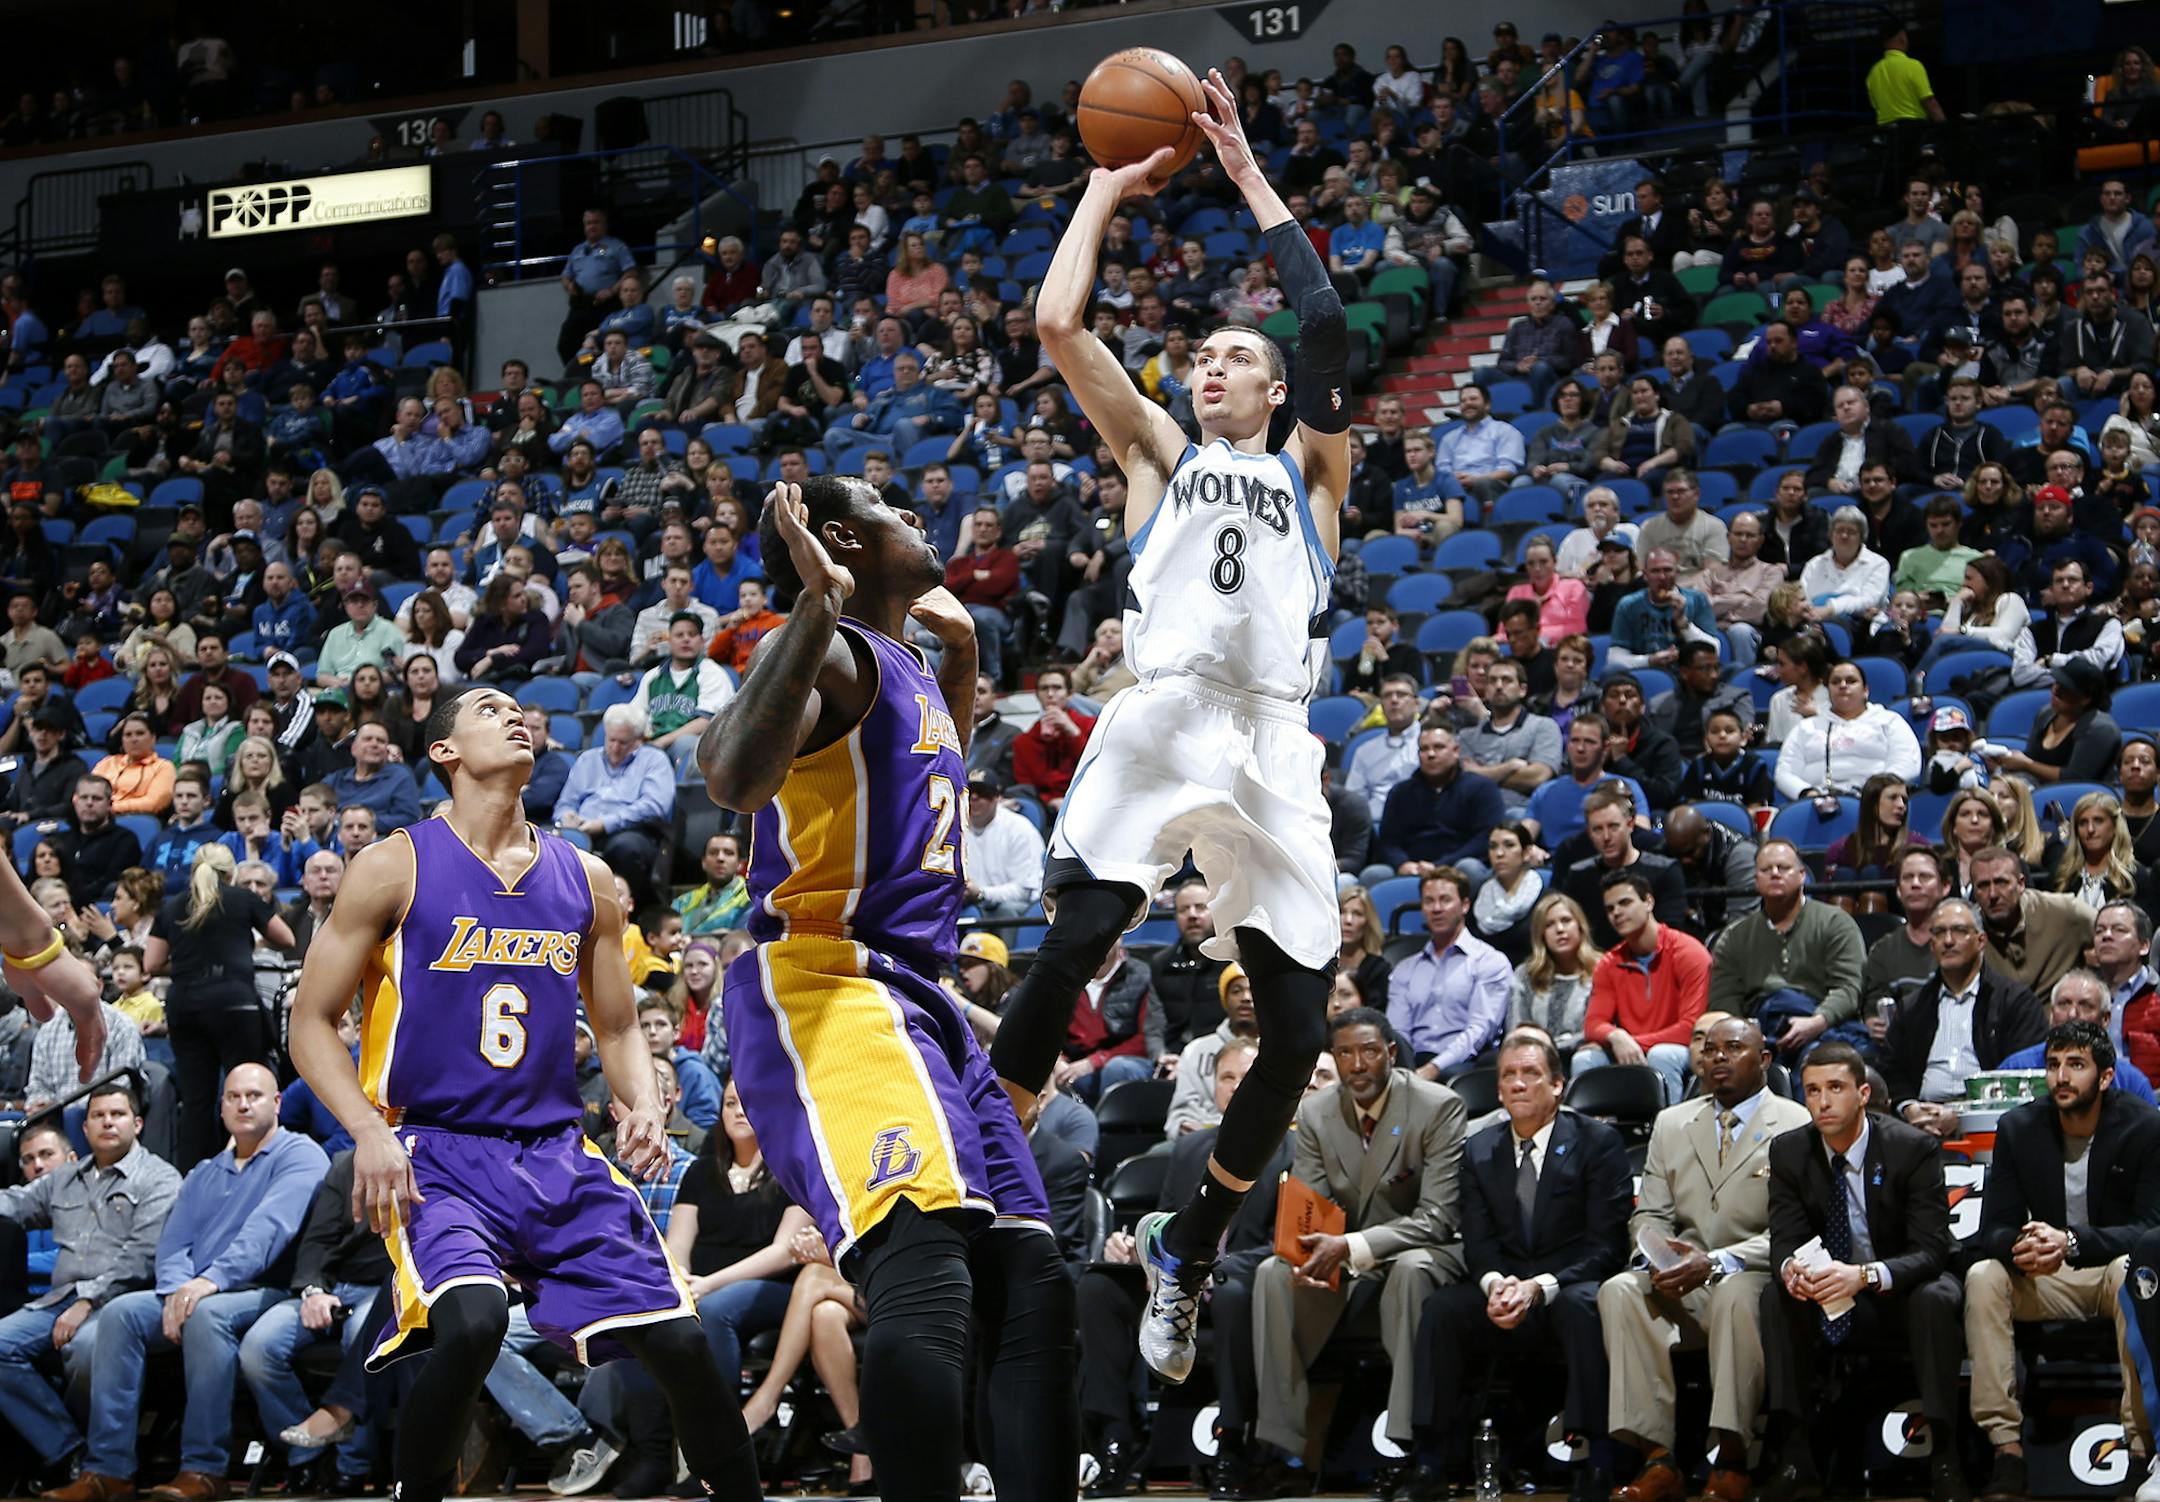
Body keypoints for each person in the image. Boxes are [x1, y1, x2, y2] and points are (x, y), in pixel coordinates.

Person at [974, 69, 1352, 1391]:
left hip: (1272, 740)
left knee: (1295, 1030)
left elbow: (1322, 319)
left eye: (1235, 356)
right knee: (1078, 933)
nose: (1211, 366)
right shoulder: (1154, 454)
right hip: (1166, 713)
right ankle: (987, 1166)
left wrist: (1243, 172)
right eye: (1201, 357)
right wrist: (1103, 186)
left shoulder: (1315, 471)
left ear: (1278, 390)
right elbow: (1057, 319)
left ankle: (1190, 1246)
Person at [285, 685, 762, 1502]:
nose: (514, 716)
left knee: (681, 1342)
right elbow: (310, 1022)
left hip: (556, 1152)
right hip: (436, 1149)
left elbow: (618, 1026)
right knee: (471, 1324)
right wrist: (367, 1130)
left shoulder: (586, 875)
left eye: (518, 709)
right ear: (443, 751)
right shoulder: (393, 865)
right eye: (486, 708)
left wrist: (646, 1106)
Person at [696, 477, 1073, 1502]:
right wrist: (814, 605)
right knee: (924, 1265)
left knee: (1030, 1277)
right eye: (890, 509)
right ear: (840, 539)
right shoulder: (831, 651)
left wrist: (966, 657)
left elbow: (927, 764)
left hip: (918, 992)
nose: (917, 517)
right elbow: (730, 776)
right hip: (828, 979)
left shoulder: (899, 662)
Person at [1249, 1007, 1464, 1491]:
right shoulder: (1316, 1111)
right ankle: (1282, 1450)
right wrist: (1303, 1251)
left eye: (1369, 1051)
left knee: (1411, 1271)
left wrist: (1350, 1245)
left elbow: (1438, 1218)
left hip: (1422, 1248)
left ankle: (1413, 1449)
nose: (1357, 1064)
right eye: (1344, 1053)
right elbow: (1311, 1205)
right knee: (1272, 1274)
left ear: (1391, 1053)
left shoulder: (1437, 1106)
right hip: (1346, 1252)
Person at [1075, 1039, 1290, 1497]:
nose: (1236, 1087)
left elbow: (1284, 1244)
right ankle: (1117, 1440)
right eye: (1227, 1078)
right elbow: (1171, 1225)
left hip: (1241, 1283)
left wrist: (1209, 1266)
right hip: (1181, 1283)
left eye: (1246, 1077)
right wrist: (1135, 1248)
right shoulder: (1190, 1148)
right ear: (1213, 1086)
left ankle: (1234, 1445)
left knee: (1232, 1294)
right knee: (1099, 1287)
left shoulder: (1294, 1148)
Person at [1757, 1043, 1967, 1502]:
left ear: (1863, 1093)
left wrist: (1866, 1275)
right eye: (1812, 1091)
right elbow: (1784, 1239)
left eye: (1835, 1088)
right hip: (1833, 1292)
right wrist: (1792, 1270)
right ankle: (1794, 1455)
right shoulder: (1789, 1150)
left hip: (1901, 1288)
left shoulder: (1911, 1148)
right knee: (1776, 1296)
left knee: (1936, 1298)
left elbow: (1931, 1250)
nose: (1823, 1102)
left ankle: (1946, 1457)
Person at [1961, 1021, 2160, 1502]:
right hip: (2047, 1274)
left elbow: (2150, 1229)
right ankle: (2006, 1448)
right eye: (2053, 1065)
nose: (2061, 1077)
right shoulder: (2019, 1128)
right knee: (1983, 1276)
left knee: (2134, 1271)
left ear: (2106, 1077)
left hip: (2110, 1269)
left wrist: (2070, 1242)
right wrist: (2022, 1246)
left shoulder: (2144, 1126)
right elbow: (1993, 1229)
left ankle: (2140, 1448)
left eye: (2075, 1065)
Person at [0, 1083, 181, 1495]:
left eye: (117, 1114)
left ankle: (103, 1464)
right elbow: (17, 1203)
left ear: (137, 1123)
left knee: (84, 1349)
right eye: (98, 1116)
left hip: (124, 1302)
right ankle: (70, 1451)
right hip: (59, 1298)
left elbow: (142, 1256)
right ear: (85, 1128)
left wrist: (88, 1300)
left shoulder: (159, 1178)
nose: (107, 1123)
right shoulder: (65, 1178)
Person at [237, 1148, 393, 1492]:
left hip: (386, 1290)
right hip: (335, 1285)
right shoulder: (345, 1164)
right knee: (258, 1347)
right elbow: (318, 1238)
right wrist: (313, 1290)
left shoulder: (425, 1159)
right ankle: (304, 1458)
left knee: (363, 1336)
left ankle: (352, 1467)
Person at [142, 844, 293, 1170]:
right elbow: (287, 939)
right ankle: (252, 1165)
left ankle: (195, 1175)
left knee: (196, 1100)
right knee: (247, 1089)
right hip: (235, 1005)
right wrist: (246, 948)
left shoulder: (173, 906)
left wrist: (189, 965)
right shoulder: (243, 898)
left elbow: (151, 963)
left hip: (186, 1006)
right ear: (231, 873)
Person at [1880, 897, 2048, 1133]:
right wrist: (1909, 1108)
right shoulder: (1912, 1007)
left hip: (1992, 1122)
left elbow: (2023, 1073)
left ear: (1981, 941)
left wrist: (1963, 1115)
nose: (1948, 941)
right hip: (1921, 1123)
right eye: (1939, 932)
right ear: (1931, 945)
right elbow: (1891, 1070)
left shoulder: (2015, 1002)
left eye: (1959, 931)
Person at [1706, 840, 1867, 1053]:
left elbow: (1848, 987)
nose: (1775, 874)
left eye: (1783, 868)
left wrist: (1818, 1022)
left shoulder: (1836, 923)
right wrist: (1746, 1033)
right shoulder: (1734, 936)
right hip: (1757, 1031)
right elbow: (1724, 997)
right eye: (1766, 869)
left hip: (1823, 1026)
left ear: (1802, 875)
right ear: (1755, 880)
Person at [1579, 870, 1709, 1104]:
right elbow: (1593, 1023)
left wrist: (1631, 1043)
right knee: (1585, 1059)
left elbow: (1690, 1028)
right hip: (1629, 1048)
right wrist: (1616, 1035)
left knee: (1662, 1055)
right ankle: (1592, 1128)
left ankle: (1668, 1125)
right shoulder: (1609, 963)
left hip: (1680, 1050)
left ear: (1648, 902)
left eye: (1625, 903)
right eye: (1610, 908)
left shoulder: (1689, 953)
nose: (1617, 913)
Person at [1385, 868, 1511, 1078]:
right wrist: (1406, 1072)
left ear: (1465, 905)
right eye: (1429, 901)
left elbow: (1480, 1030)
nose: (1436, 908)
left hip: (1466, 1065)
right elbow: (1398, 1032)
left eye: (1445, 900)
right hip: (1413, 1064)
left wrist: (1434, 1068)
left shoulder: (1489, 961)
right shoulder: (1405, 969)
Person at [1996, 966, 2158, 1103]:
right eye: (2064, 1004)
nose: (2072, 1014)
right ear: (2051, 1014)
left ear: (2105, 1019)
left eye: (2085, 1005)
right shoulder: (2015, 1069)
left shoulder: (2130, 1081)